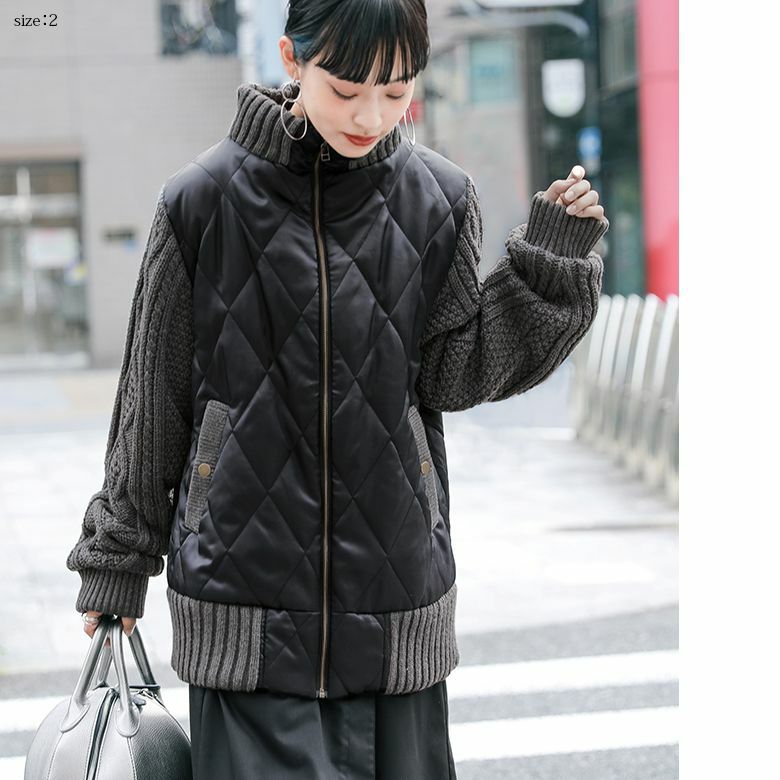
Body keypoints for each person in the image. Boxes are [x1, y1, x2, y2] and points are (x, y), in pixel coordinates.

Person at [68, 0, 609, 776]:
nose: (372, 115)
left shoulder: (440, 199)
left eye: (396, 90)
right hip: (243, 611)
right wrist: (117, 561)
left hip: (396, 609)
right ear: (292, 59)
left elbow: (454, 372)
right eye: (347, 88)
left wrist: (547, 271)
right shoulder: (202, 200)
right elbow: (151, 398)